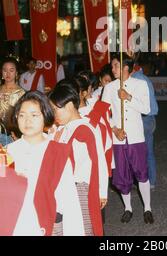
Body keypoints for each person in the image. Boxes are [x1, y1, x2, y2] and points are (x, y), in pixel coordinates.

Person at [6, 91, 84, 236]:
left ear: (45, 117)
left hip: (48, 226)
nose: (27, 121)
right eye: (22, 115)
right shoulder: (8, 153)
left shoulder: (57, 153)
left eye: (34, 115)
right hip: (15, 227)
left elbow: (69, 203)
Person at [48, 82, 108, 236]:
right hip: (66, 187)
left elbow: (99, 159)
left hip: (81, 187)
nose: (54, 115)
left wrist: (102, 191)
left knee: (84, 227)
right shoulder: (63, 128)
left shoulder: (85, 128)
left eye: (55, 110)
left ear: (68, 106)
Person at [102, 53, 154, 224]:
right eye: (112, 66)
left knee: (141, 173)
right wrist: (114, 129)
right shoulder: (109, 88)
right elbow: (104, 115)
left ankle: (147, 208)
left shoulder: (140, 84)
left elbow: (146, 109)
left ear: (126, 67)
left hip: (136, 137)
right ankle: (128, 208)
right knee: (122, 175)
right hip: (118, 139)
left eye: (116, 65)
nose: (112, 69)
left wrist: (128, 97)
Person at [132, 55, 159, 189]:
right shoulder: (144, 78)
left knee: (138, 152)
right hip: (149, 118)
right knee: (148, 152)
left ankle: (142, 180)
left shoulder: (137, 79)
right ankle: (151, 181)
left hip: (142, 118)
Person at [0, 57, 25, 144]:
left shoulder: (21, 93)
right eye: (5, 70)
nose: (8, 73)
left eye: (11, 70)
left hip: (12, 135)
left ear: (16, 73)